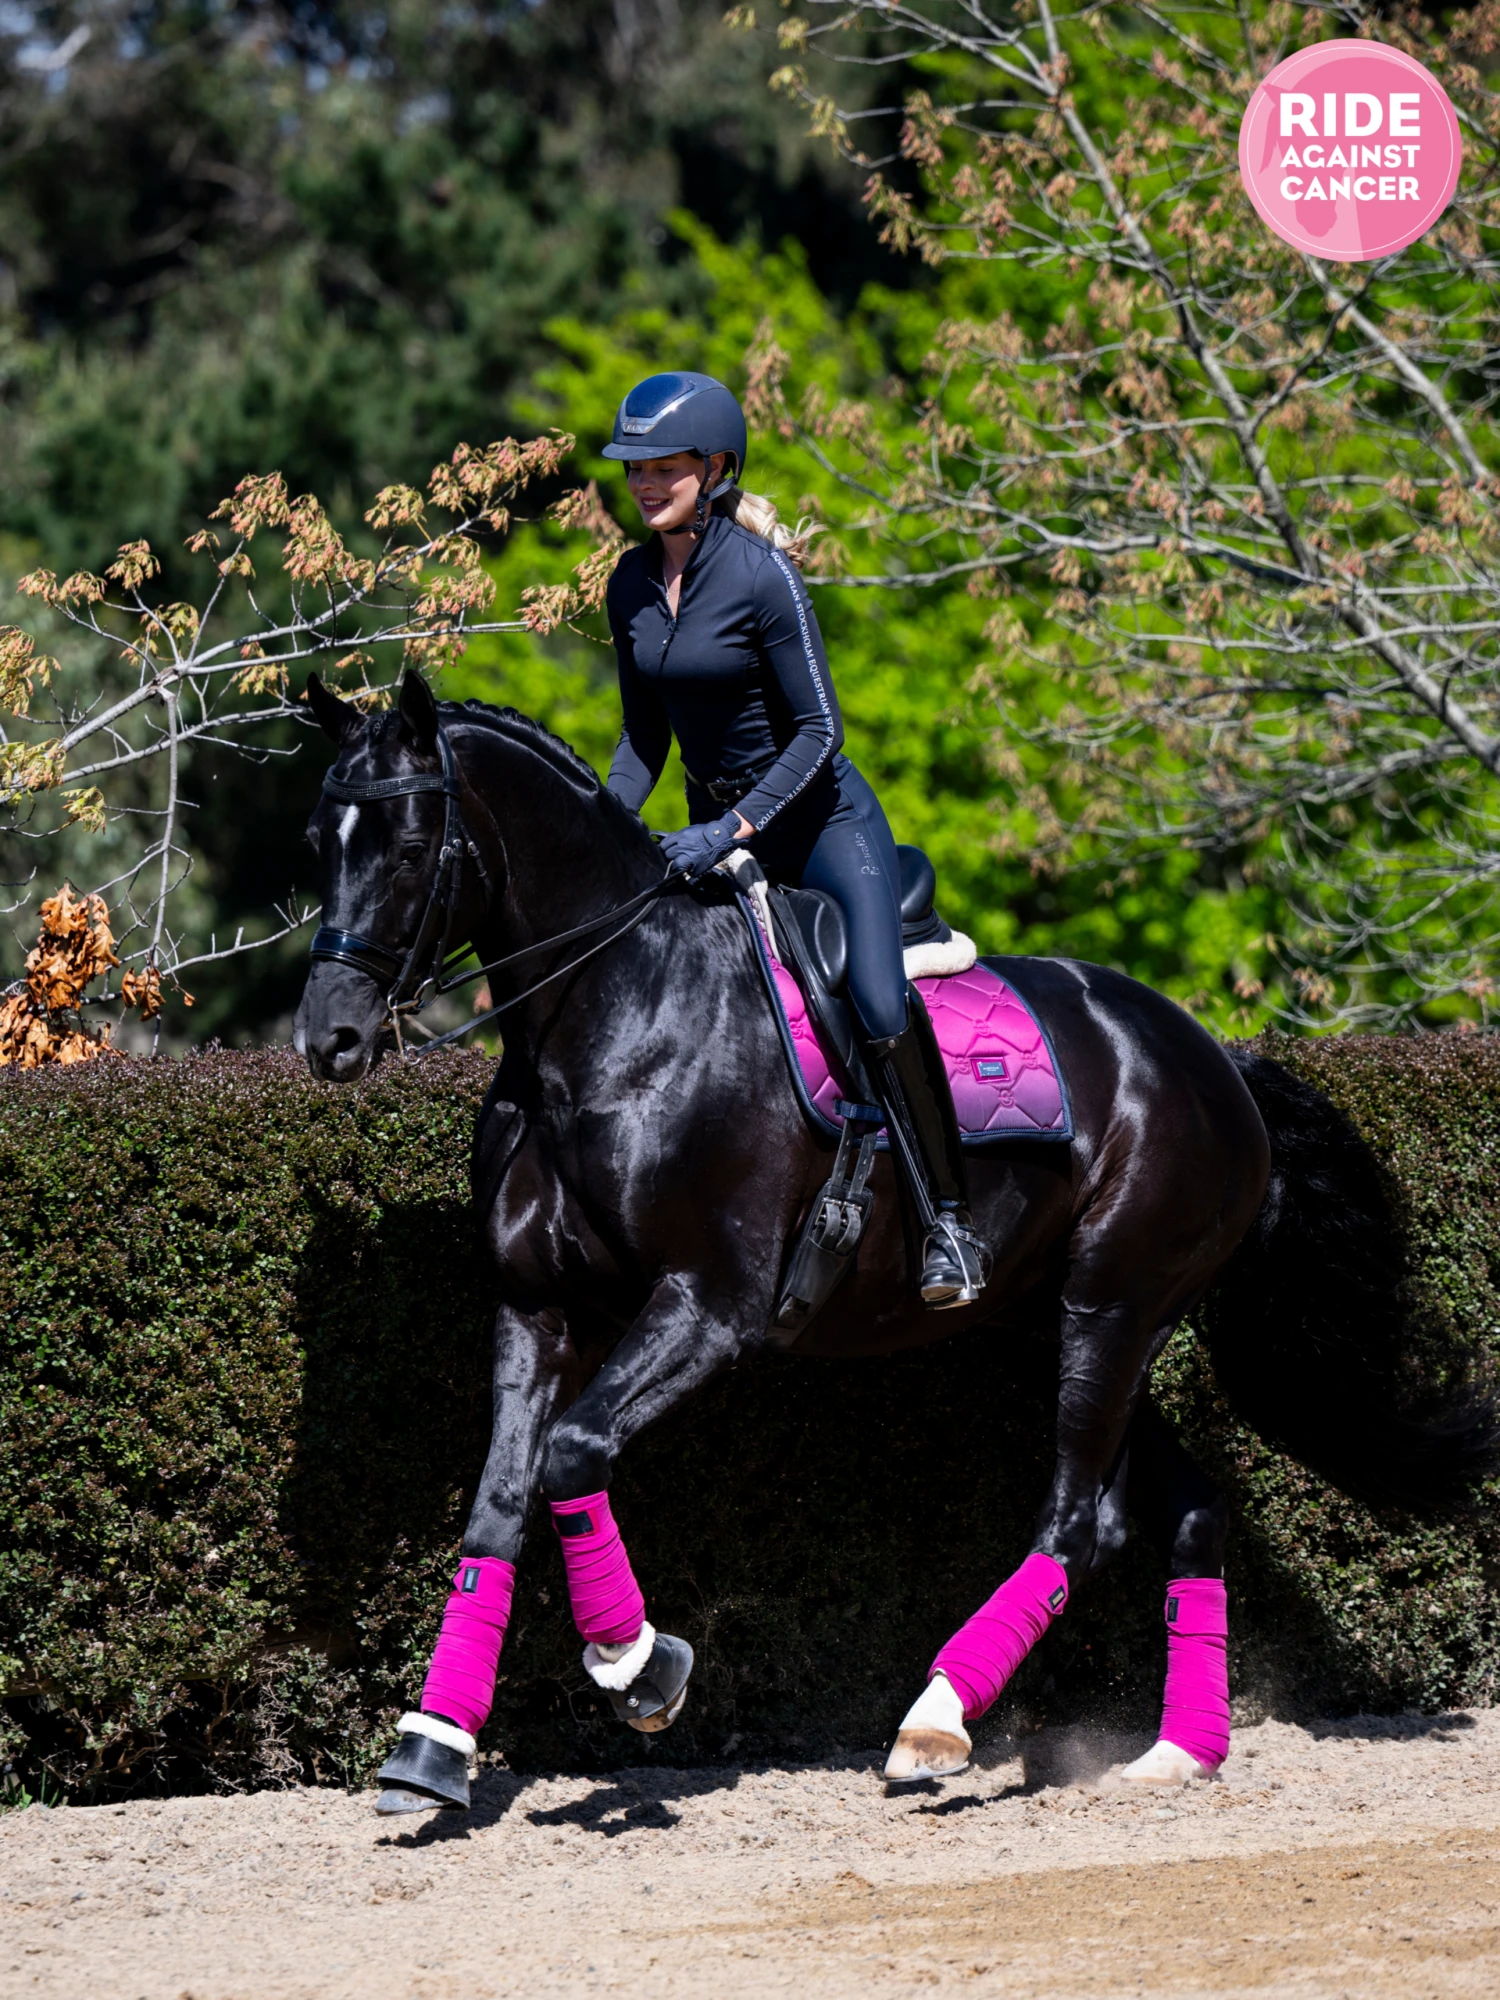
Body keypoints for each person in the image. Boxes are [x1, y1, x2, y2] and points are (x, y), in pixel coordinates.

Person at [601, 370, 988, 1308]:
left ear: (718, 467)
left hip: (818, 822)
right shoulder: (630, 584)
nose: (646, 484)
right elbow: (643, 738)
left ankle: (950, 1224)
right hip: (716, 828)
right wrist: (604, 830)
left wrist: (727, 830)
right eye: (635, 470)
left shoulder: (763, 577)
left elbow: (822, 735)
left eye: (666, 467)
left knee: (877, 999)